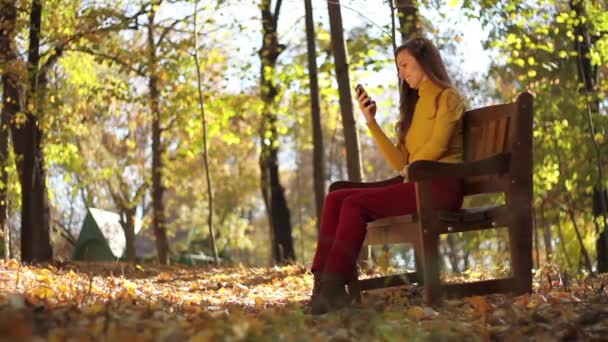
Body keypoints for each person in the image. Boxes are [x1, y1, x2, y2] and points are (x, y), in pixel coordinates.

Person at [309, 37, 465, 315]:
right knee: (337, 197)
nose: (402, 73)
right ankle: (322, 286)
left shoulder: (447, 97)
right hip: (417, 184)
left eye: (405, 65)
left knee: (354, 204)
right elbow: (398, 161)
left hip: (440, 187)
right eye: (399, 68)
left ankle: (332, 290)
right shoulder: (415, 105)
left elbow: (439, 145)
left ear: (425, 61)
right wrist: (371, 121)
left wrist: (411, 166)